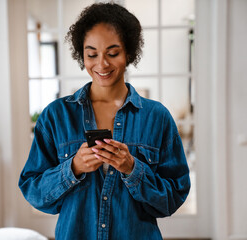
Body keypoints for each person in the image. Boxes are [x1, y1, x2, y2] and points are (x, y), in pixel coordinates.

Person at [19, 3, 190, 240]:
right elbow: (33, 191)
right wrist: (73, 168)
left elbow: (173, 197)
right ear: (82, 55)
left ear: (129, 52)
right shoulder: (56, 116)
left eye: (112, 53)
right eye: (92, 54)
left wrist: (133, 169)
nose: (102, 64)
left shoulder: (157, 117)